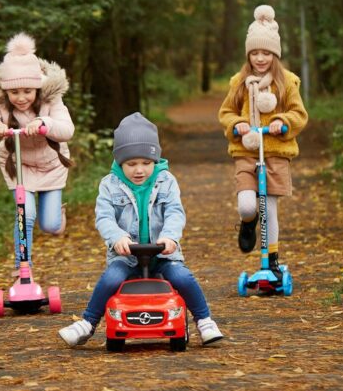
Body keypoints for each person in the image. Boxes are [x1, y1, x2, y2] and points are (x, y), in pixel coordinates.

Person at [58, 113, 223, 347]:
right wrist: (116, 236)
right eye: (131, 164)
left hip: (162, 254)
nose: (139, 170)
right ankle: (87, 323)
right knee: (111, 278)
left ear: (155, 160)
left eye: (146, 163)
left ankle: (205, 320)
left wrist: (170, 237)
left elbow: (175, 212)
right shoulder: (109, 184)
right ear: (119, 162)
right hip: (126, 255)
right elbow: (104, 217)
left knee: (181, 276)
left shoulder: (166, 181)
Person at [0, 33, 74, 274]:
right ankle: (22, 268)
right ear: (6, 92)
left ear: (37, 87)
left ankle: (58, 213)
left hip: (50, 166)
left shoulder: (52, 101)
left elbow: (67, 130)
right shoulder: (0, 105)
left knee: (50, 224)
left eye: (27, 91)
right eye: (14, 92)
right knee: (24, 214)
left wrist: (45, 123)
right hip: (20, 167)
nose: (21, 98)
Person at [217, 5, 309, 279]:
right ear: (248, 54)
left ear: (275, 54)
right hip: (246, 152)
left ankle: (272, 261)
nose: (260, 58)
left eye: (266, 53)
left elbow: (299, 114)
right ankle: (248, 223)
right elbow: (226, 113)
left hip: (275, 152)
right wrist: (237, 124)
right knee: (248, 204)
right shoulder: (239, 82)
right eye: (255, 53)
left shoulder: (287, 82)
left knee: (270, 208)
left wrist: (283, 122)